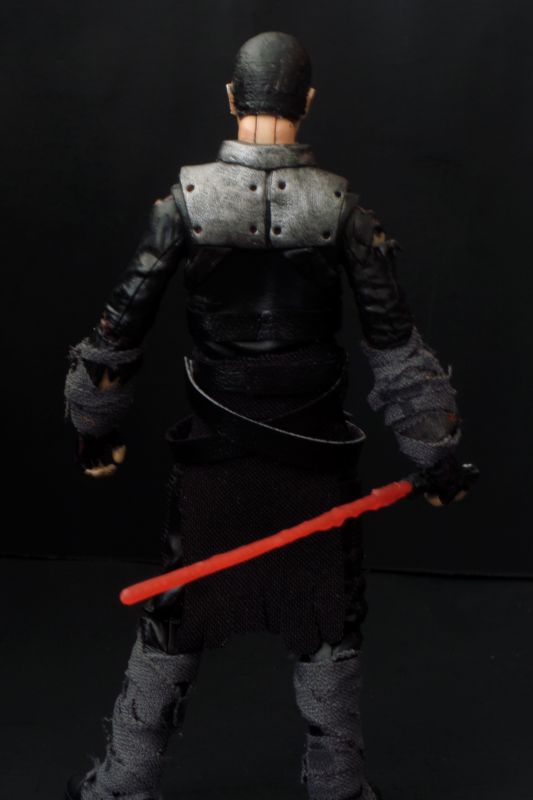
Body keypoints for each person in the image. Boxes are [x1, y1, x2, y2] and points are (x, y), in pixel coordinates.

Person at [64, 31, 467, 800]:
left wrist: (94, 428)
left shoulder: (186, 202)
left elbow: (120, 330)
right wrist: (435, 458)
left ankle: (121, 785)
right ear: (306, 101)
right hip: (312, 460)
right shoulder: (342, 208)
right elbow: (396, 348)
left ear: (231, 98)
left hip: (216, 460)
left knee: (176, 617)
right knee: (327, 624)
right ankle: (337, 788)